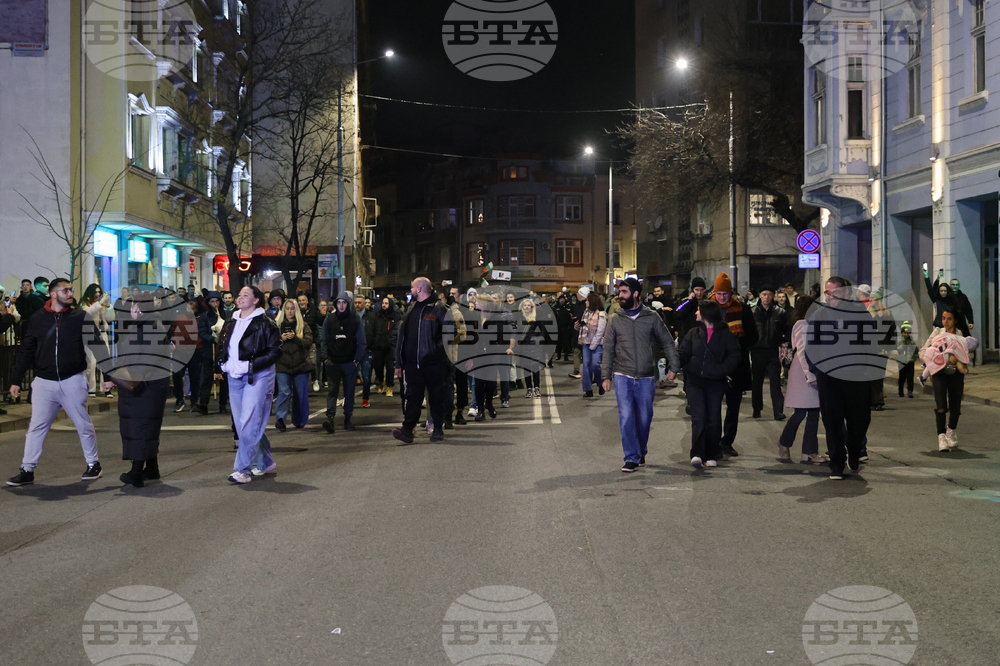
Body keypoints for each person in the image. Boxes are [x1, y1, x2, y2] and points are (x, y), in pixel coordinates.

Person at [6, 278, 104, 486]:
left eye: (71, 290)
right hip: (44, 381)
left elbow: (97, 344)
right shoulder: (38, 318)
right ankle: (27, 470)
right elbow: (27, 350)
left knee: (82, 423)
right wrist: (16, 380)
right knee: (37, 427)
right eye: (65, 290)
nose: (70, 293)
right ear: (53, 294)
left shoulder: (80, 317)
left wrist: (110, 377)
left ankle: (93, 464)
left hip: (72, 379)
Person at [601, 277, 680, 472]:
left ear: (636, 294)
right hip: (622, 375)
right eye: (620, 292)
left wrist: (674, 366)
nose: (620, 296)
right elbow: (608, 348)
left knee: (644, 419)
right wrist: (605, 376)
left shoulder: (652, 317)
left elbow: (668, 342)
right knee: (626, 416)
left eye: (624, 292)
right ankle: (631, 456)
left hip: (646, 376)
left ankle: (640, 450)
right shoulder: (615, 319)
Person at [216, 285, 282, 484]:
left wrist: (251, 364)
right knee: (242, 423)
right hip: (234, 377)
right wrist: (220, 364)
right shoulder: (231, 319)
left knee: (249, 421)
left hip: (258, 376)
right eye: (239, 294)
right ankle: (265, 460)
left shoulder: (266, 323)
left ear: (256, 300)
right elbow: (222, 344)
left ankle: (242, 469)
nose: (240, 297)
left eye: (246, 295)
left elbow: (275, 351)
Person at [808, 277, 872, 480]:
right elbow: (812, 346)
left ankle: (854, 450)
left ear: (845, 293)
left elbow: (871, 343)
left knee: (859, 420)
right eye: (828, 293)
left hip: (856, 376)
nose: (830, 297)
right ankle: (836, 463)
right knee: (832, 421)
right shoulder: (820, 315)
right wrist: (817, 371)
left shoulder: (860, 313)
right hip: (829, 378)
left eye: (834, 293)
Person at [107, 293, 171, 487]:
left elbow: (147, 361)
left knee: (140, 428)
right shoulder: (145, 324)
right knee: (146, 428)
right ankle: (151, 468)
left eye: (132, 305)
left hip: (145, 386)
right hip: (144, 385)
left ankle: (136, 472)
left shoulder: (150, 326)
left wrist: (123, 379)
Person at [678, 301, 741, 468]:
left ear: (706, 314)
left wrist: (721, 370)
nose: (696, 313)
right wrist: (673, 366)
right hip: (694, 381)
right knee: (699, 417)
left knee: (713, 418)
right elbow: (683, 353)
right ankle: (697, 453)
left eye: (698, 310)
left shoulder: (726, 335)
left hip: (716, 382)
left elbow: (734, 356)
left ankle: (712, 452)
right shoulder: (694, 333)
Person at [392, 277, 448, 445]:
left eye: (412, 287)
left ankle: (438, 428)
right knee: (413, 397)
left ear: (419, 289)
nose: (411, 290)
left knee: (436, 397)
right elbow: (402, 337)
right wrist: (398, 362)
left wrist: (439, 348)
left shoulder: (438, 308)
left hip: (433, 363)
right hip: (412, 364)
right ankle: (408, 429)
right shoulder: (411, 309)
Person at [708, 272, 758, 457]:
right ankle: (713, 441)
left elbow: (753, 335)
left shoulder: (742, 309)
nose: (722, 298)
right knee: (712, 406)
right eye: (719, 294)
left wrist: (735, 345)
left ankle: (727, 441)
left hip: (736, 365)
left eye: (725, 294)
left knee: (733, 406)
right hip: (713, 364)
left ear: (731, 293)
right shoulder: (707, 308)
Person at [777, 296, 827, 464]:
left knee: (813, 413)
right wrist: (810, 376)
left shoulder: (807, 324)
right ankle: (785, 443)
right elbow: (803, 351)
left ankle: (809, 452)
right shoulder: (802, 324)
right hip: (804, 372)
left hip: (807, 370)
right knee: (801, 412)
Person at [919, 308, 970, 451]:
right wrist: (933, 357)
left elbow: (966, 356)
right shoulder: (937, 333)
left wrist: (958, 360)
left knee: (956, 409)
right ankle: (941, 436)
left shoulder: (960, 335)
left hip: (956, 374)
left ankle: (951, 431)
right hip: (939, 373)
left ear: (955, 320)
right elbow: (923, 351)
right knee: (941, 406)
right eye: (943, 318)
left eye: (949, 319)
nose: (945, 322)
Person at [321, 291, 366, 434]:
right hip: (333, 362)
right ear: (336, 304)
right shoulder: (330, 319)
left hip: (349, 362)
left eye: (344, 302)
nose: (341, 305)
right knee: (332, 391)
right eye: (339, 302)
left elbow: (362, 342)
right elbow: (323, 339)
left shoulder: (355, 320)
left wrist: (356, 361)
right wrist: (326, 358)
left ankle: (348, 418)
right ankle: (330, 418)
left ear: (348, 304)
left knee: (349, 392)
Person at [274, 298, 314, 431]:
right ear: (284, 310)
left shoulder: (303, 326)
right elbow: (270, 343)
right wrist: (281, 339)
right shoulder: (277, 326)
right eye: (287, 308)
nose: (290, 311)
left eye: (292, 309)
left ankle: (300, 420)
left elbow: (308, 342)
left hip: (300, 365)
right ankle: (281, 419)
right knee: (284, 392)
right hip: (282, 365)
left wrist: (295, 337)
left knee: (300, 394)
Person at [749, 284, 787, 421]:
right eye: (764, 294)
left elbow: (785, 330)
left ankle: (778, 411)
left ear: (774, 296)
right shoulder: (752, 312)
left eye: (770, 294)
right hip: (757, 349)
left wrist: (784, 344)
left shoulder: (780, 312)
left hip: (773, 350)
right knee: (757, 381)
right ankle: (757, 408)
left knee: (775, 382)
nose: (767, 297)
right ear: (759, 295)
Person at [193, 291, 229, 415]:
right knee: (207, 378)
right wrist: (212, 338)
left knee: (223, 378)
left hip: (224, 352)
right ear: (208, 302)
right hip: (209, 350)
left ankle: (223, 404)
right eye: (212, 301)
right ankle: (203, 403)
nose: (215, 304)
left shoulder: (226, 314)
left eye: (217, 301)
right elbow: (201, 332)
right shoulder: (205, 316)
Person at [79, 283, 116, 398]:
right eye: (95, 292)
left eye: (99, 292)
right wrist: (99, 303)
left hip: (102, 333)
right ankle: (91, 388)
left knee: (105, 361)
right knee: (91, 363)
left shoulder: (101, 305)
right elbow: (88, 313)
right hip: (90, 334)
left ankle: (106, 388)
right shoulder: (85, 303)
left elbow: (111, 318)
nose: (98, 294)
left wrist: (108, 306)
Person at [511, 298, 550, 398]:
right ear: (522, 307)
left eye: (529, 305)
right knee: (526, 368)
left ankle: (537, 388)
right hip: (524, 347)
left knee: (535, 368)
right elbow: (516, 332)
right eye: (525, 305)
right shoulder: (519, 319)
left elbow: (543, 330)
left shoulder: (536, 318)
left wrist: (538, 339)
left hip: (535, 346)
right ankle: (529, 389)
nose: (527, 307)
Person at [576, 292, 607, 397]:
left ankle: (600, 382)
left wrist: (593, 344)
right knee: (586, 366)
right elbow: (583, 327)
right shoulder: (586, 312)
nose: (586, 302)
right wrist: (577, 326)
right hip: (585, 342)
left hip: (597, 343)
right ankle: (588, 389)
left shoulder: (601, 314)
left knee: (595, 365)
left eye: (588, 300)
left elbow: (600, 331)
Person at [923, 268, 970, 334]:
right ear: (939, 292)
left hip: (951, 327)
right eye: (941, 291)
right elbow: (931, 290)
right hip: (939, 327)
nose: (943, 292)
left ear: (948, 291)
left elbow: (960, 313)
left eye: (945, 291)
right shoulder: (937, 300)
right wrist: (927, 277)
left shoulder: (953, 300)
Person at [372, 297, 401, 398]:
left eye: (386, 303)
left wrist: (394, 342)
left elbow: (397, 331)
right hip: (378, 346)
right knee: (378, 366)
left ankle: (389, 386)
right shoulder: (377, 316)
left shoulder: (396, 317)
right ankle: (381, 381)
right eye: (383, 303)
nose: (384, 305)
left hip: (390, 346)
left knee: (390, 367)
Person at [354, 294, 376, 408]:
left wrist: (372, 347)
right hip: (353, 351)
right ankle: (349, 399)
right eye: (356, 302)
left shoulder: (371, 317)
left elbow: (375, 332)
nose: (357, 304)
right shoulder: (351, 317)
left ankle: (365, 398)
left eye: (359, 302)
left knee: (366, 376)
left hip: (367, 350)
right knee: (350, 376)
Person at [893, 321, 918, 398]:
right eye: (904, 333)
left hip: (910, 361)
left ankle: (910, 391)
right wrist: (902, 347)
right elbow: (897, 350)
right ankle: (900, 391)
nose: (906, 334)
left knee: (910, 377)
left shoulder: (912, 341)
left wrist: (913, 350)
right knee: (902, 377)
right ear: (902, 333)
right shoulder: (900, 341)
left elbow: (916, 350)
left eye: (907, 333)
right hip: (902, 361)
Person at [568, 287, 588, 379]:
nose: (577, 295)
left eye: (579, 293)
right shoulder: (583, 305)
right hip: (583, 332)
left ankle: (577, 371)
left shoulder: (583, 305)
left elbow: (586, 319)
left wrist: (579, 321)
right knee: (582, 352)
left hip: (582, 333)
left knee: (577, 351)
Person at [553, 293, 573, 361]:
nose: (561, 301)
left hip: (566, 327)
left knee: (566, 342)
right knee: (558, 342)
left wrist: (569, 326)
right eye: (560, 299)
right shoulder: (556, 307)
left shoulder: (568, 307)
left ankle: (566, 356)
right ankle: (558, 355)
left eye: (562, 299)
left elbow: (570, 317)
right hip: (558, 327)